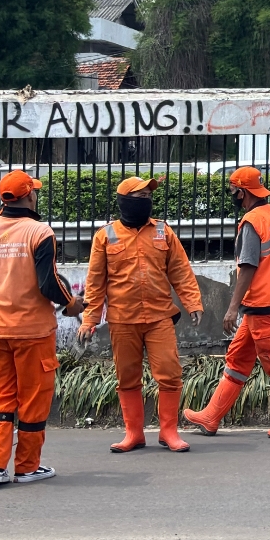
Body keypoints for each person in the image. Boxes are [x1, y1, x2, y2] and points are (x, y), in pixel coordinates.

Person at [183, 167, 270, 440]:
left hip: (260, 305)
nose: (233, 195)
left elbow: (249, 266)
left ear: (243, 192)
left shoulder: (252, 222)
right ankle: (211, 417)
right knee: (238, 359)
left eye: (233, 191)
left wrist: (232, 308)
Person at [77, 176, 204, 453]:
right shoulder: (105, 235)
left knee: (169, 374)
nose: (146, 201)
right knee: (127, 376)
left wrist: (193, 303)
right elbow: (96, 282)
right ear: (124, 201)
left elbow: (180, 271)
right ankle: (133, 433)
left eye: (148, 196)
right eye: (140, 197)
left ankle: (168, 432)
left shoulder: (162, 231)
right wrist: (89, 320)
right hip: (122, 320)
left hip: (159, 317)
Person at [0, 170, 85, 487]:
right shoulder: (39, 232)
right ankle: (26, 467)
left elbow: (0, 220)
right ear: (29, 196)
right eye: (34, 192)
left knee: (0, 398)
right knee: (33, 400)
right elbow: (47, 283)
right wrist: (71, 303)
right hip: (32, 331)